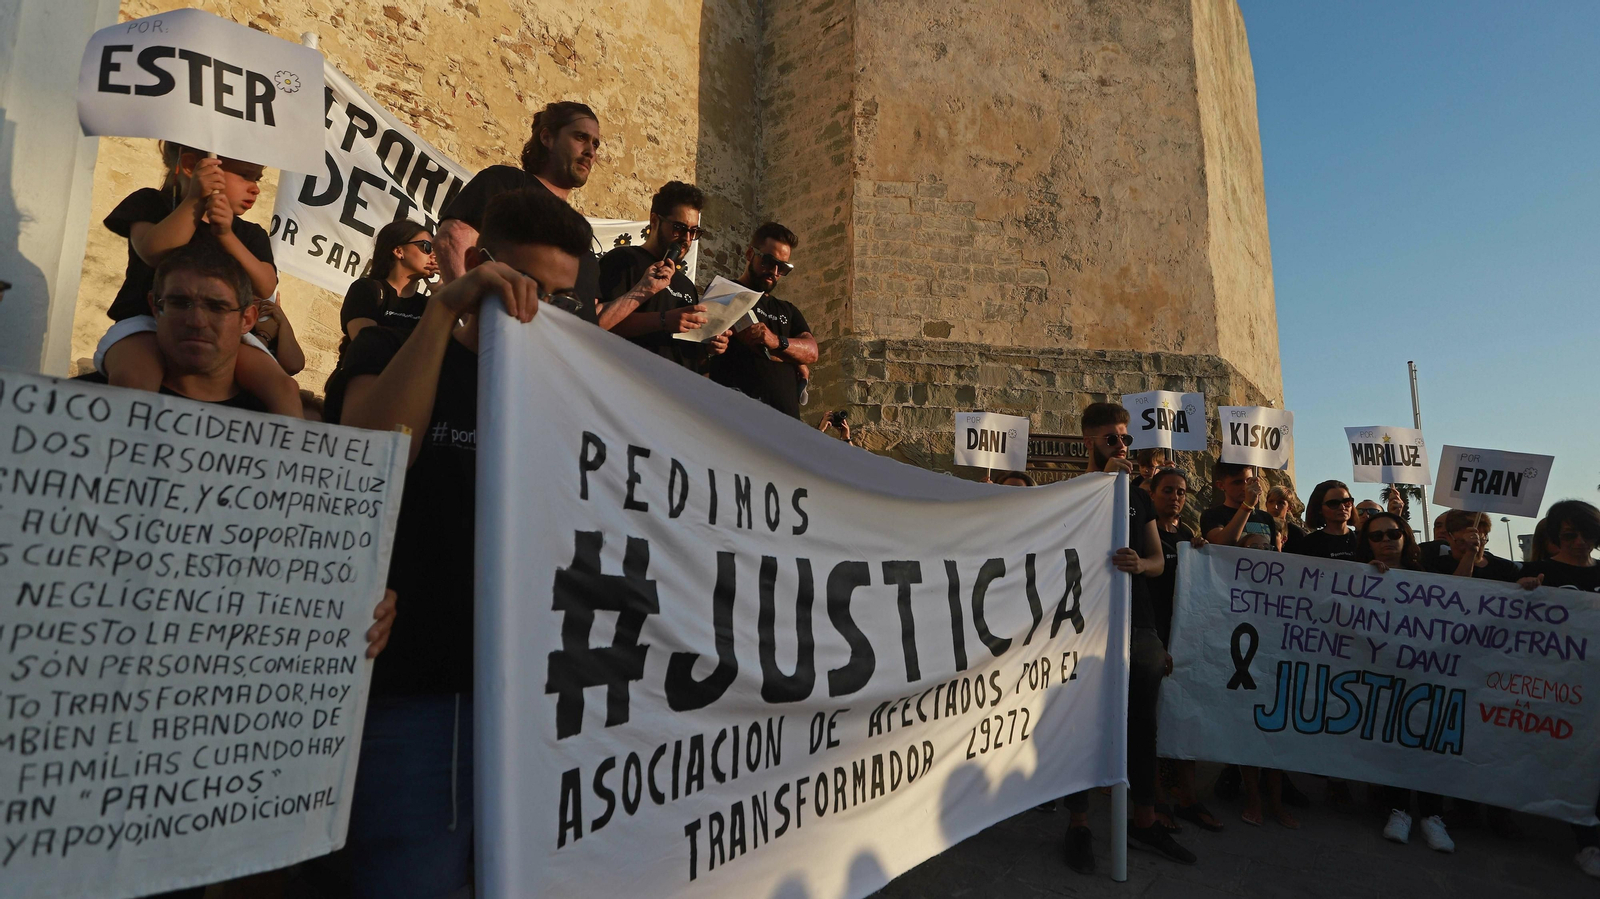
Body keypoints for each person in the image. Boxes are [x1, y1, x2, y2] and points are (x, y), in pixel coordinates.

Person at [86, 245, 395, 899]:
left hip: (237, 735)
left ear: (248, 317)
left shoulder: (284, 432)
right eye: (179, 301)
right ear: (153, 308)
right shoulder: (90, 408)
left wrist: (365, 593)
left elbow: (321, 549)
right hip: (113, 716)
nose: (195, 317)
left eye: (215, 305)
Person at [320, 187, 589, 899]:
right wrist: (443, 312)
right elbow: (371, 457)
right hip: (417, 694)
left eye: (560, 298)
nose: (538, 310)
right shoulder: (394, 338)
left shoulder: (567, 380)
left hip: (536, 699)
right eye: (526, 286)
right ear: (484, 266)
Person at [1062, 403, 1192, 872]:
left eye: (1125, 438)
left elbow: (1157, 558)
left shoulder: (1138, 500)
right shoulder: (1071, 492)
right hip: (1087, 627)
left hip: (1137, 624)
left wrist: (1142, 564)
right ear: (1088, 444)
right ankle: (1079, 823)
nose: (1122, 447)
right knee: (1083, 721)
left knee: (1142, 725)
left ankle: (1145, 819)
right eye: (1110, 440)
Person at [95, 142, 301, 417]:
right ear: (192, 167)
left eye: (257, 178)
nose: (255, 188)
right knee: (134, 378)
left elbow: (265, 285)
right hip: (147, 323)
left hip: (226, 335)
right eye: (244, 175)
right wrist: (195, 201)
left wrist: (226, 235)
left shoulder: (249, 233)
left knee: (283, 389)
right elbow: (153, 251)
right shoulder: (151, 204)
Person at [435, 100, 603, 322]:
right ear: (547, 138)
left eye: (595, 144)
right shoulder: (509, 183)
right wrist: (481, 326)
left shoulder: (577, 229)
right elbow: (452, 239)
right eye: (580, 137)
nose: (590, 151)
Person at [1352, 512, 1455, 852]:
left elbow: (1464, 603)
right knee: (1393, 741)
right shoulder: (1356, 576)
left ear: (1405, 537)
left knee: (1427, 742)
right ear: (1366, 542)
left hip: (1425, 676)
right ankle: (1398, 812)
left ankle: (1431, 816)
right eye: (1376, 535)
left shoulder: (1428, 579)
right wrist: (1366, 579)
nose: (1385, 540)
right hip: (1381, 676)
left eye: (1393, 533)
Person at [1514, 501, 1600, 877]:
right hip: (1560, 692)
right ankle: (1588, 844)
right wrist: (1523, 591)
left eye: (1588, 534)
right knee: (1575, 765)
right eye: (1570, 535)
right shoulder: (1539, 572)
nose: (1580, 542)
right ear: (1554, 537)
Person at [1145, 468, 1222, 833]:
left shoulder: (1189, 536)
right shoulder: (1145, 532)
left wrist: (1202, 554)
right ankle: (1156, 799)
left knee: (1183, 717)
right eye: (1168, 490)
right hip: (1153, 636)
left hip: (1183, 638)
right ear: (1153, 493)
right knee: (1152, 723)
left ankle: (1188, 797)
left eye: (1181, 491)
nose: (1175, 497)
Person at [600, 181, 730, 369]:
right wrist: (663, 320)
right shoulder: (623, 260)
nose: (686, 239)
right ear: (654, 221)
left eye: (694, 231)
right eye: (679, 228)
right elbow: (599, 322)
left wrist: (708, 346)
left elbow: (687, 351)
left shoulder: (686, 285)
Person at [707, 222, 819, 418]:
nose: (775, 272)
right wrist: (791, 357)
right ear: (750, 254)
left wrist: (776, 341)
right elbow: (744, 341)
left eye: (783, 267)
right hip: (736, 415)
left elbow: (811, 351)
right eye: (768, 261)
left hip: (785, 422)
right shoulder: (725, 292)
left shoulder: (788, 310)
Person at [338, 220, 439, 356]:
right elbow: (367, 347)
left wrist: (441, 296)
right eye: (427, 247)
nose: (434, 255)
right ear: (398, 251)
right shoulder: (367, 290)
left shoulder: (428, 304)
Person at [1426, 510, 1520, 582]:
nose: (1472, 545)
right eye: (1462, 541)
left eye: (1478, 540)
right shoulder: (1436, 566)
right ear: (1449, 537)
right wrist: (1470, 554)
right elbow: (1454, 590)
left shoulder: (1506, 569)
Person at [1200, 462, 1278, 548]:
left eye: (1248, 481)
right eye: (1237, 483)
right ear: (1221, 485)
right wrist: (1247, 506)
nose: (1245, 487)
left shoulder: (1266, 518)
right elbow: (1221, 543)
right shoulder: (1212, 515)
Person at [1293, 480, 1359, 560]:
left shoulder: (1363, 540)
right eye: (1333, 503)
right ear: (1319, 509)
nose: (1342, 507)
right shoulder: (1309, 544)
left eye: (1347, 502)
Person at [1263, 485, 1305, 551]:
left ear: (1289, 507)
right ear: (1266, 504)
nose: (1275, 507)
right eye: (1271, 502)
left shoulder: (1297, 534)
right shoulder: (1258, 526)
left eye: (1280, 503)